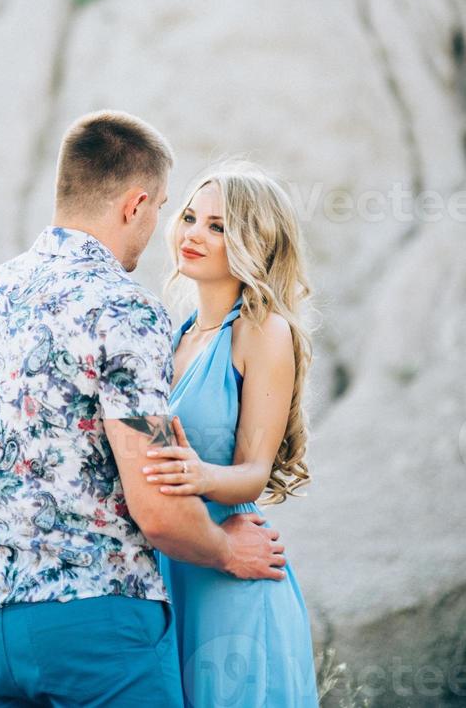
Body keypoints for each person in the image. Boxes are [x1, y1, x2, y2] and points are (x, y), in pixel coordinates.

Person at [0, 111, 287, 708]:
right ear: (135, 204)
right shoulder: (125, 309)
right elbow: (157, 509)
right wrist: (229, 550)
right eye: (166, 207)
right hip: (104, 633)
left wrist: (27, 573)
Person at [144, 165, 320, 707]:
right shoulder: (169, 335)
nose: (193, 234)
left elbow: (253, 472)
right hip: (173, 566)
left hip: (233, 580)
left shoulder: (264, 330)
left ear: (255, 241)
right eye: (191, 217)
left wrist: (198, 475)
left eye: (218, 226)